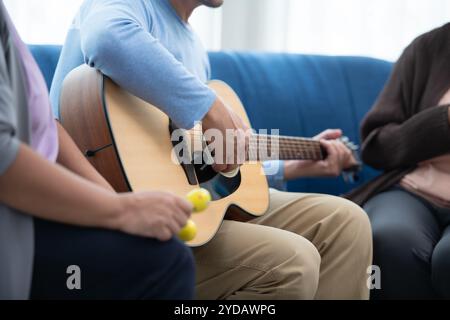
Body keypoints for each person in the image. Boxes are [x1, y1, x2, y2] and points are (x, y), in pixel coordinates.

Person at [51, 0, 372, 300]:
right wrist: (209, 106)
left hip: (189, 208)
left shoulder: (193, 46)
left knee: (347, 221)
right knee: (292, 261)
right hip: (116, 218)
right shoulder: (130, 6)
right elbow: (107, 37)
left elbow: (191, 163)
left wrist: (286, 169)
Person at [0, 1, 196, 300]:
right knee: (165, 261)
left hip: (39, 207)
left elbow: (44, 129)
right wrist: (121, 211)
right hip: (18, 225)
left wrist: (112, 200)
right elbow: (4, 157)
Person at [346, 23, 450, 299]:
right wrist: (443, 121)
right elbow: (376, 147)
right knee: (390, 239)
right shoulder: (427, 48)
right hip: (412, 190)